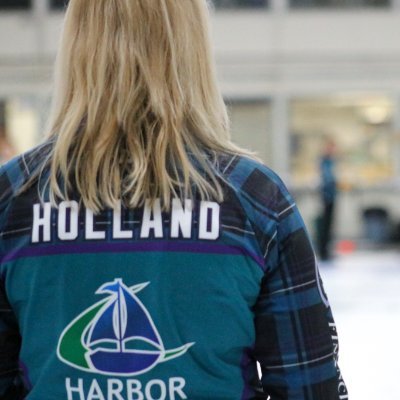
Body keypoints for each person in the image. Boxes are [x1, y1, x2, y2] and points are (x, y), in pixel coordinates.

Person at [0, 1, 347, 399]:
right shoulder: (253, 200)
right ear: (191, 48)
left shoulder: (14, 200)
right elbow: (310, 387)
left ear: (74, 43)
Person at [318, 139, 338, 261]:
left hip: (332, 195)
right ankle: (323, 251)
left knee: (330, 225)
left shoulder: (331, 161)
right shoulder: (325, 161)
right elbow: (328, 177)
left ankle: (326, 250)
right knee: (325, 225)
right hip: (327, 196)